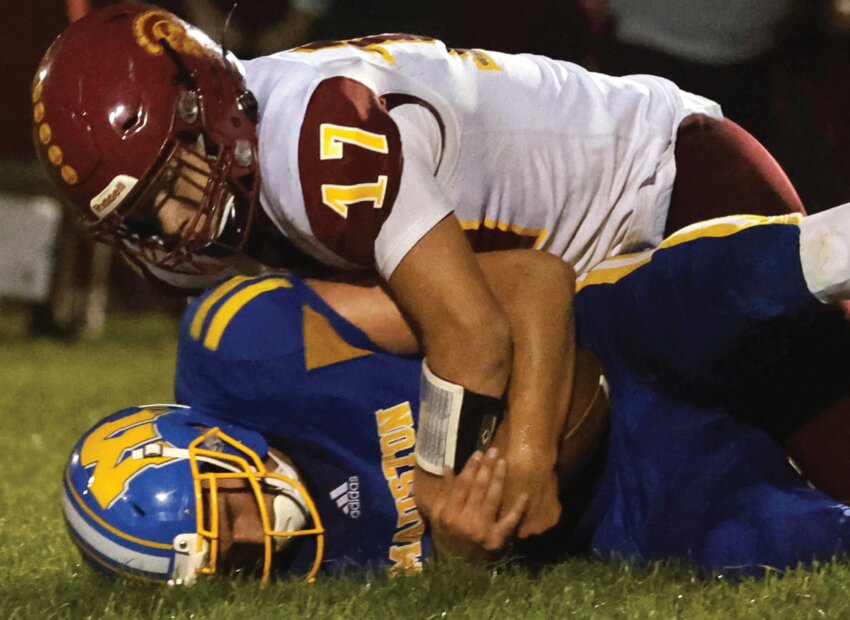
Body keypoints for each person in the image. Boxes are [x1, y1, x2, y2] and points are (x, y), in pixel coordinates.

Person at [36, 2, 819, 537]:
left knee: (825, 441)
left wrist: (442, 478)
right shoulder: (210, 188)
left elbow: (473, 332)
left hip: (673, 185)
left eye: (175, 184)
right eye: (141, 216)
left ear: (207, 101)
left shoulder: (314, 136)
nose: (174, 227)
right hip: (582, 288)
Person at [65, 205, 850, 584]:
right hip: (620, 499)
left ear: (210, 444)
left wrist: (530, 449)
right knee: (780, 545)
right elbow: (482, 571)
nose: (250, 541)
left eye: (225, 512)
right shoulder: (320, 580)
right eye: (225, 564)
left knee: (764, 278)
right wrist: (478, 554)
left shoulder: (247, 347)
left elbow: (534, 283)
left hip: (615, 336)